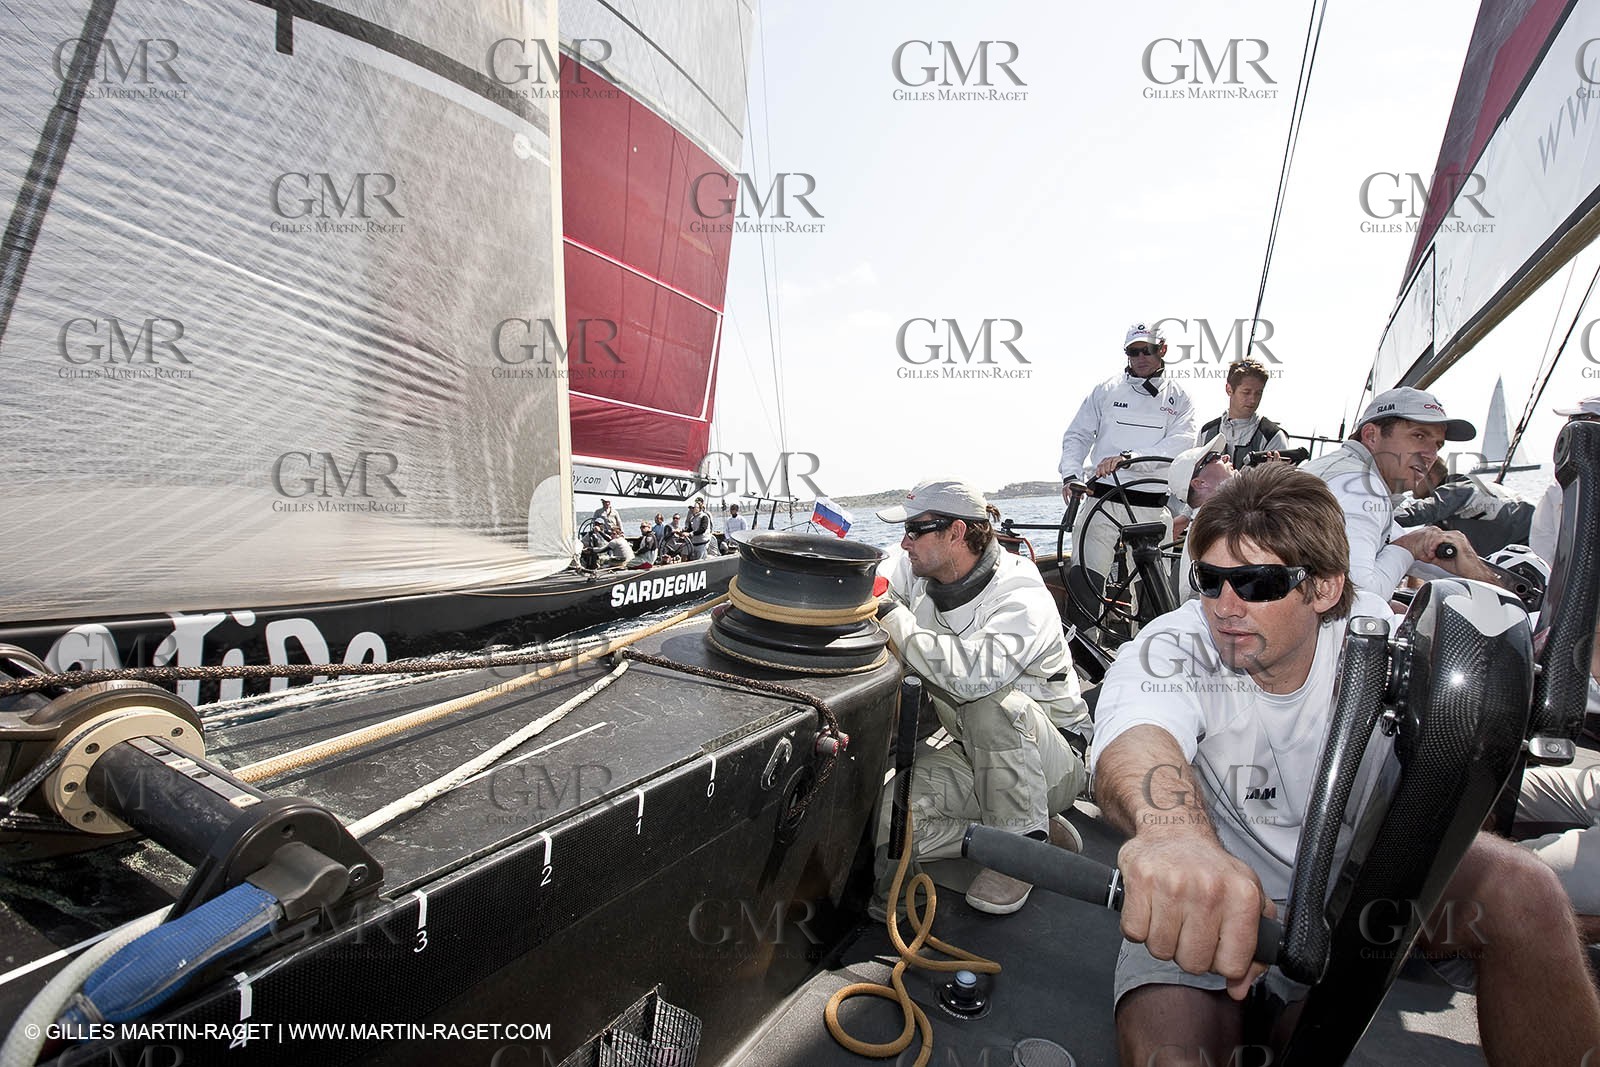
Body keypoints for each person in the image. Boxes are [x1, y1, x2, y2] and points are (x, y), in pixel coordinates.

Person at [1090, 464, 1600, 1065]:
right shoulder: (1173, 646)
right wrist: (1175, 840)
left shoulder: (1384, 644)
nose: (1225, 607)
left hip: (1360, 889)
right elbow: (1137, 736)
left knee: (1527, 891)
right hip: (1210, 887)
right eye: (1211, 579)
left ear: (1325, 589)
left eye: (1258, 583)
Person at [874, 480, 1091, 915]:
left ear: (956, 532)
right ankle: (1031, 831)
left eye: (915, 530)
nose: (904, 542)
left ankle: (1019, 855)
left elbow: (974, 678)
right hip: (974, 755)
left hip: (1051, 759)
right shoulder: (921, 572)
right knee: (887, 823)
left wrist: (891, 614)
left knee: (990, 702)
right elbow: (876, 572)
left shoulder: (1021, 593)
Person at [1302, 386, 1501, 598]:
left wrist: (1478, 570)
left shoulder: (1341, 471)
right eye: (1419, 436)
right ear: (1371, 436)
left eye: (1437, 445)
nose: (1430, 455)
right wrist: (1409, 547)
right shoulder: (1358, 487)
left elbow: (1402, 544)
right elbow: (1358, 598)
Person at [1058, 322, 1197, 614]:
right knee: (1085, 588)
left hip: (1152, 509)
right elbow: (1077, 435)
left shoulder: (1181, 399)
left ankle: (1150, 654)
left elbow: (1181, 445)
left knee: (1154, 601)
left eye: (1148, 350)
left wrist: (1130, 457)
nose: (1141, 357)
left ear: (1163, 350)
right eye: (1133, 352)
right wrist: (1071, 475)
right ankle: (1083, 651)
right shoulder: (1105, 390)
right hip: (1101, 502)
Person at [1394, 459, 1533, 556]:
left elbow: (1415, 513)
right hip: (1534, 543)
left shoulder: (1458, 490)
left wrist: (1377, 511)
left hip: (1533, 542)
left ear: (1429, 475)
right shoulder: (1464, 493)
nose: (1408, 485)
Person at [1529, 396, 1600, 565]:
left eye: (1580, 420)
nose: (1571, 427)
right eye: (1571, 420)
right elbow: (1542, 544)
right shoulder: (1559, 488)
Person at [1166, 445, 1235, 604]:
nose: (1226, 457)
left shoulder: (1211, 523)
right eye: (1214, 457)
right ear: (1199, 483)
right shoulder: (1217, 529)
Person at [1196, 358, 1289, 469]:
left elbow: (1277, 485)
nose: (1253, 400)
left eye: (1258, 393)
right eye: (1246, 392)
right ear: (1229, 389)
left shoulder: (1273, 436)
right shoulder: (1206, 432)